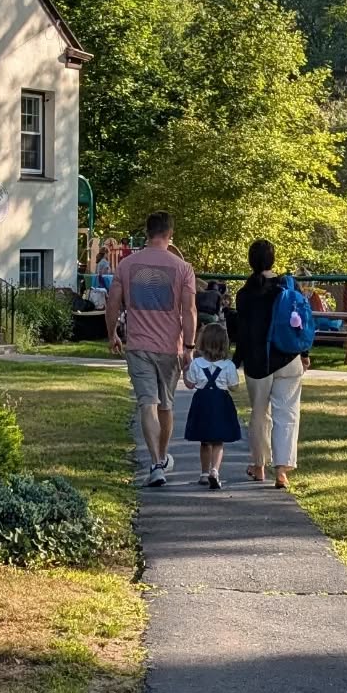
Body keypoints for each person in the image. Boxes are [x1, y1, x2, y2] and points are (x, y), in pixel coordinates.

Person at [106, 210, 196, 487]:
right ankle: (163, 456)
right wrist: (190, 347)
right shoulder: (183, 268)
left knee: (147, 403)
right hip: (170, 347)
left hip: (138, 344)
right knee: (166, 405)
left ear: (147, 232)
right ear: (170, 235)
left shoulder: (127, 265)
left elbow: (112, 303)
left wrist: (112, 334)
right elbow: (189, 310)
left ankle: (156, 462)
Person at [232, 239, 306, 489]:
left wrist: (235, 361)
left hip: (258, 363)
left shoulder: (245, 295)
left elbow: (242, 334)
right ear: (273, 260)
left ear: (251, 261)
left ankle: (259, 465)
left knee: (260, 414)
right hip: (288, 357)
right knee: (287, 414)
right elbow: (299, 321)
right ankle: (282, 471)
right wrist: (304, 352)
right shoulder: (287, 286)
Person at [182, 322, 240, 491]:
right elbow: (234, 386)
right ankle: (215, 470)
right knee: (218, 439)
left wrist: (185, 372)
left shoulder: (197, 364)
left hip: (202, 402)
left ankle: (203, 472)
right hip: (221, 402)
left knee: (205, 440)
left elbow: (190, 385)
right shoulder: (228, 365)